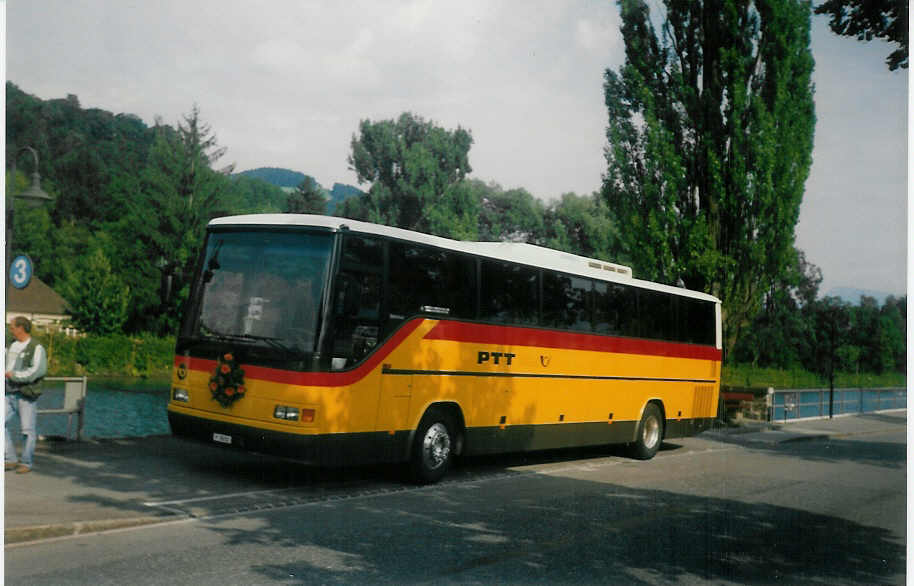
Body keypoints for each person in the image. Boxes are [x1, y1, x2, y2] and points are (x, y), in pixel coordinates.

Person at [5, 316, 47, 474]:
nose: (10, 329)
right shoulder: (11, 345)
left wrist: (14, 376)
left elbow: (37, 371)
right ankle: (9, 458)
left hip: (26, 394)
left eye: (12, 327)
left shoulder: (36, 347)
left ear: (20, 328)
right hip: (8, 393)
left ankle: (26, 462)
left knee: (27, 430)